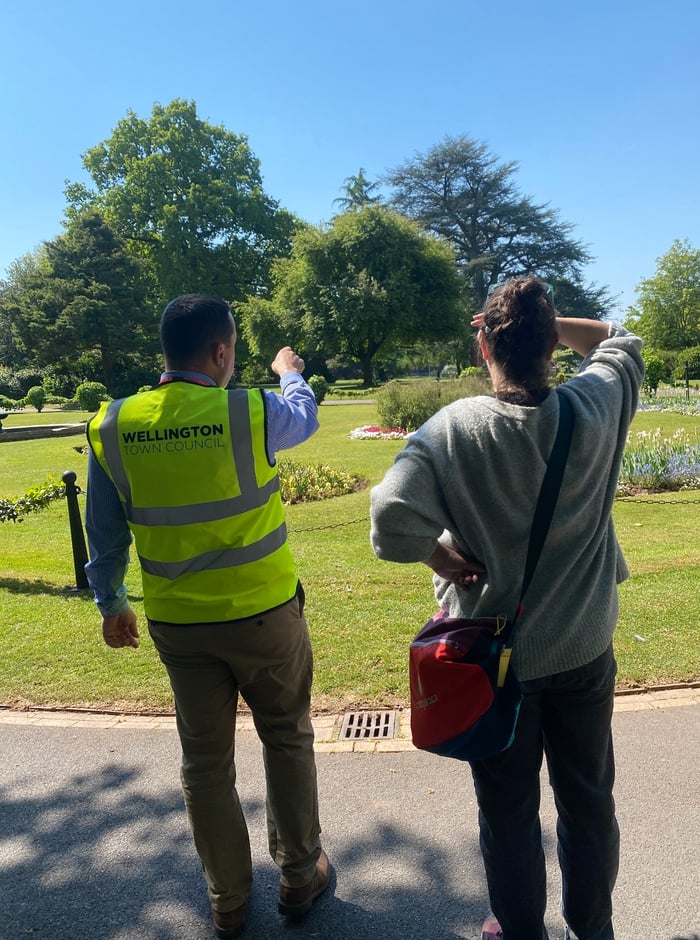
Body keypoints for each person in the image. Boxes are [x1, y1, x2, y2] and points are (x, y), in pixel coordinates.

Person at [370, 277, 644, 940]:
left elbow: (389, 525)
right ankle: (593, 927)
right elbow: (620, 340)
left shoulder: (453, 430)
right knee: (588, 801)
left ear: (482, 343)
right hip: (582, 646)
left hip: (494, 663)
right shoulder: (595, 405)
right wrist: (548, 323)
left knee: (508, 811)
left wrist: (441, 557)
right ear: (551, 345)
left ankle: (522, 930)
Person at [84, 293, 331, 939]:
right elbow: (303, 418)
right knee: (286, 737)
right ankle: (300, 876)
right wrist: (288, 371)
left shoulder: (113, 425)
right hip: (264, 614)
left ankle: (226, 900)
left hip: (178, 626)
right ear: (221, 351)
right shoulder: (249, 410)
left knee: (204, 763)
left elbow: (103, 533)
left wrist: (110, 603)